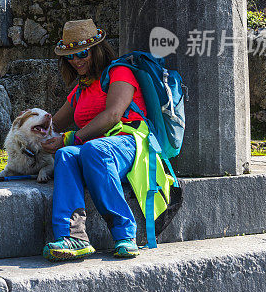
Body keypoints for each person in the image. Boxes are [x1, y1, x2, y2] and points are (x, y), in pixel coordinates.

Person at [40, 19, 173, 260]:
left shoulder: (120, 73)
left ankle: (125, 234)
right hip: (95, 149)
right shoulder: (81, 89)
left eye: (81, 53)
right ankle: (73, 236)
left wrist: (72, 137)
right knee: (66, 155)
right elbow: (53, 124)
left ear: (96, 50)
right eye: (70, 56)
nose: (76, 60)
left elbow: (112, 115)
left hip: (128, 142)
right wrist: (26, 131)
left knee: (92, 149)